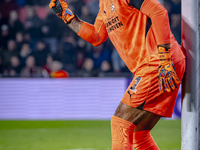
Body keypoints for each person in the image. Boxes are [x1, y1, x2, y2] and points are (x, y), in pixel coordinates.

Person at [49, 0, 186, 149]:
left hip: (158, 63)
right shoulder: (105, 4)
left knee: (120, 123)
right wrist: (67, 16)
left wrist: (164, 59)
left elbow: (159, 12)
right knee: (139, 134)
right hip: (157, 64)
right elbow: (96, 36)